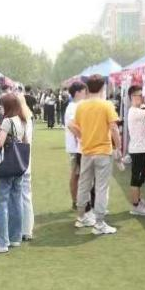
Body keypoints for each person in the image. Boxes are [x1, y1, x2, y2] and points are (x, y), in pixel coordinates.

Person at [68, 74, 121, 235]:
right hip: (103, 152)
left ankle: (81, 217)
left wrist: (83, 137)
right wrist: (118, 147)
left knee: (84, 185)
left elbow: (72, 125)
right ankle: (99, 223)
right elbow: (114, 128)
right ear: (103, 87)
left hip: (86, 151)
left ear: (87, 87)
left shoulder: (81, 106)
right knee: (101, 188)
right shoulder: (106, 105)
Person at [0, 93, 30, 253]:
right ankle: (15, 237)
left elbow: (0, 143)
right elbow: (24, 141)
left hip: (6, 166)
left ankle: (2, 242)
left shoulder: (7, 121)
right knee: (16, 201)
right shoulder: (22, 120)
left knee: (1, 202)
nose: (0, 108)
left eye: (2, 105)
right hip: (18, 166)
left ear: (8, 106)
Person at [126, 86, 145, 216]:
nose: (142, 97)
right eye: (139, 95)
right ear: (132, 97)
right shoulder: (134, 111)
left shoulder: (138, 109)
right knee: (136, 179)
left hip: (141, 149)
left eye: (141, 95)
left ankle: (138, 200)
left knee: (140, 178)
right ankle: (135, 206)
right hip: (138, 150)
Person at [64, 81, 87, 219]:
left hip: (78, 146)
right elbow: (72, 126)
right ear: (78, 92)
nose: (85, 94)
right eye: (84, 91)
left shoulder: (76, 105)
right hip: (75, 147)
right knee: (76, 174)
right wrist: (83, 137)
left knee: (79, 174)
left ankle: (79, 200)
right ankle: (76, 201)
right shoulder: (73, 106)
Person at [18, 93, 35, 241]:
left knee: (17, 196)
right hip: (25, 161)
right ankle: (27, 229)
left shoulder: (19, 120)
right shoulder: (28, 118)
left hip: (18, 162)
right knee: (26, 196)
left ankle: (20, 229)